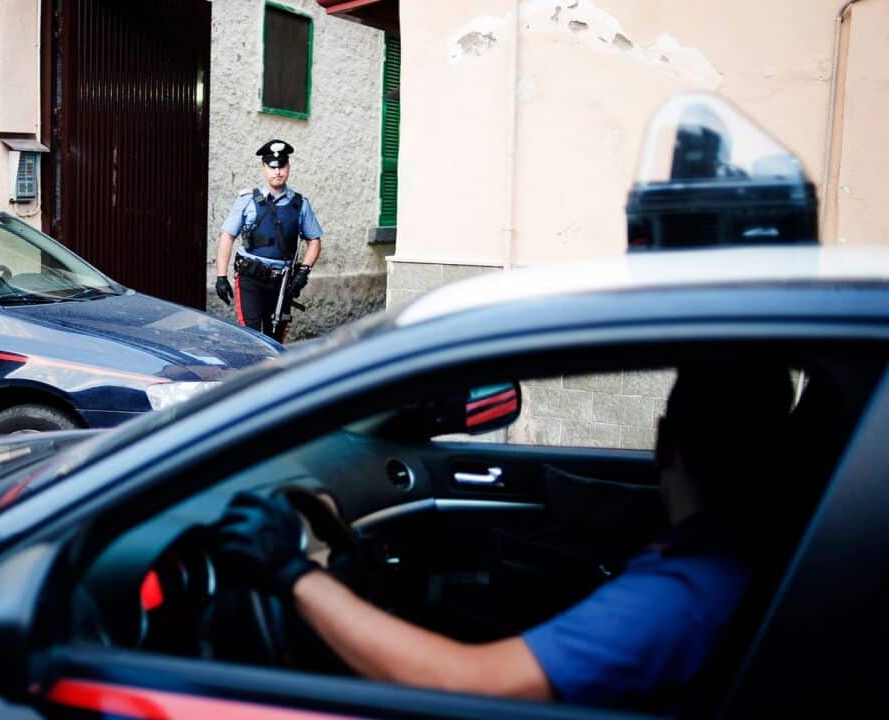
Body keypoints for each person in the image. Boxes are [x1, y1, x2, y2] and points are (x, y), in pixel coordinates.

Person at [214, 363, 795, 711]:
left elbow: (467, 683)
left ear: (665, 442)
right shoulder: (736, 559)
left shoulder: (683, 599)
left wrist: (294, 576)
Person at [214, 139, 323, 342]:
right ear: (264, 168)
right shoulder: (247, 200)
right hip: (250, 279)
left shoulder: (299, 204)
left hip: (282, 282)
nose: (277, 172)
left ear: (288, 168)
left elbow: (314, 241)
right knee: (250, 337)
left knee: (275, 338)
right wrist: (221, 276)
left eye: (282, 166)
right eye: (272, 167)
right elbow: (227, 236)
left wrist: (303, 272)